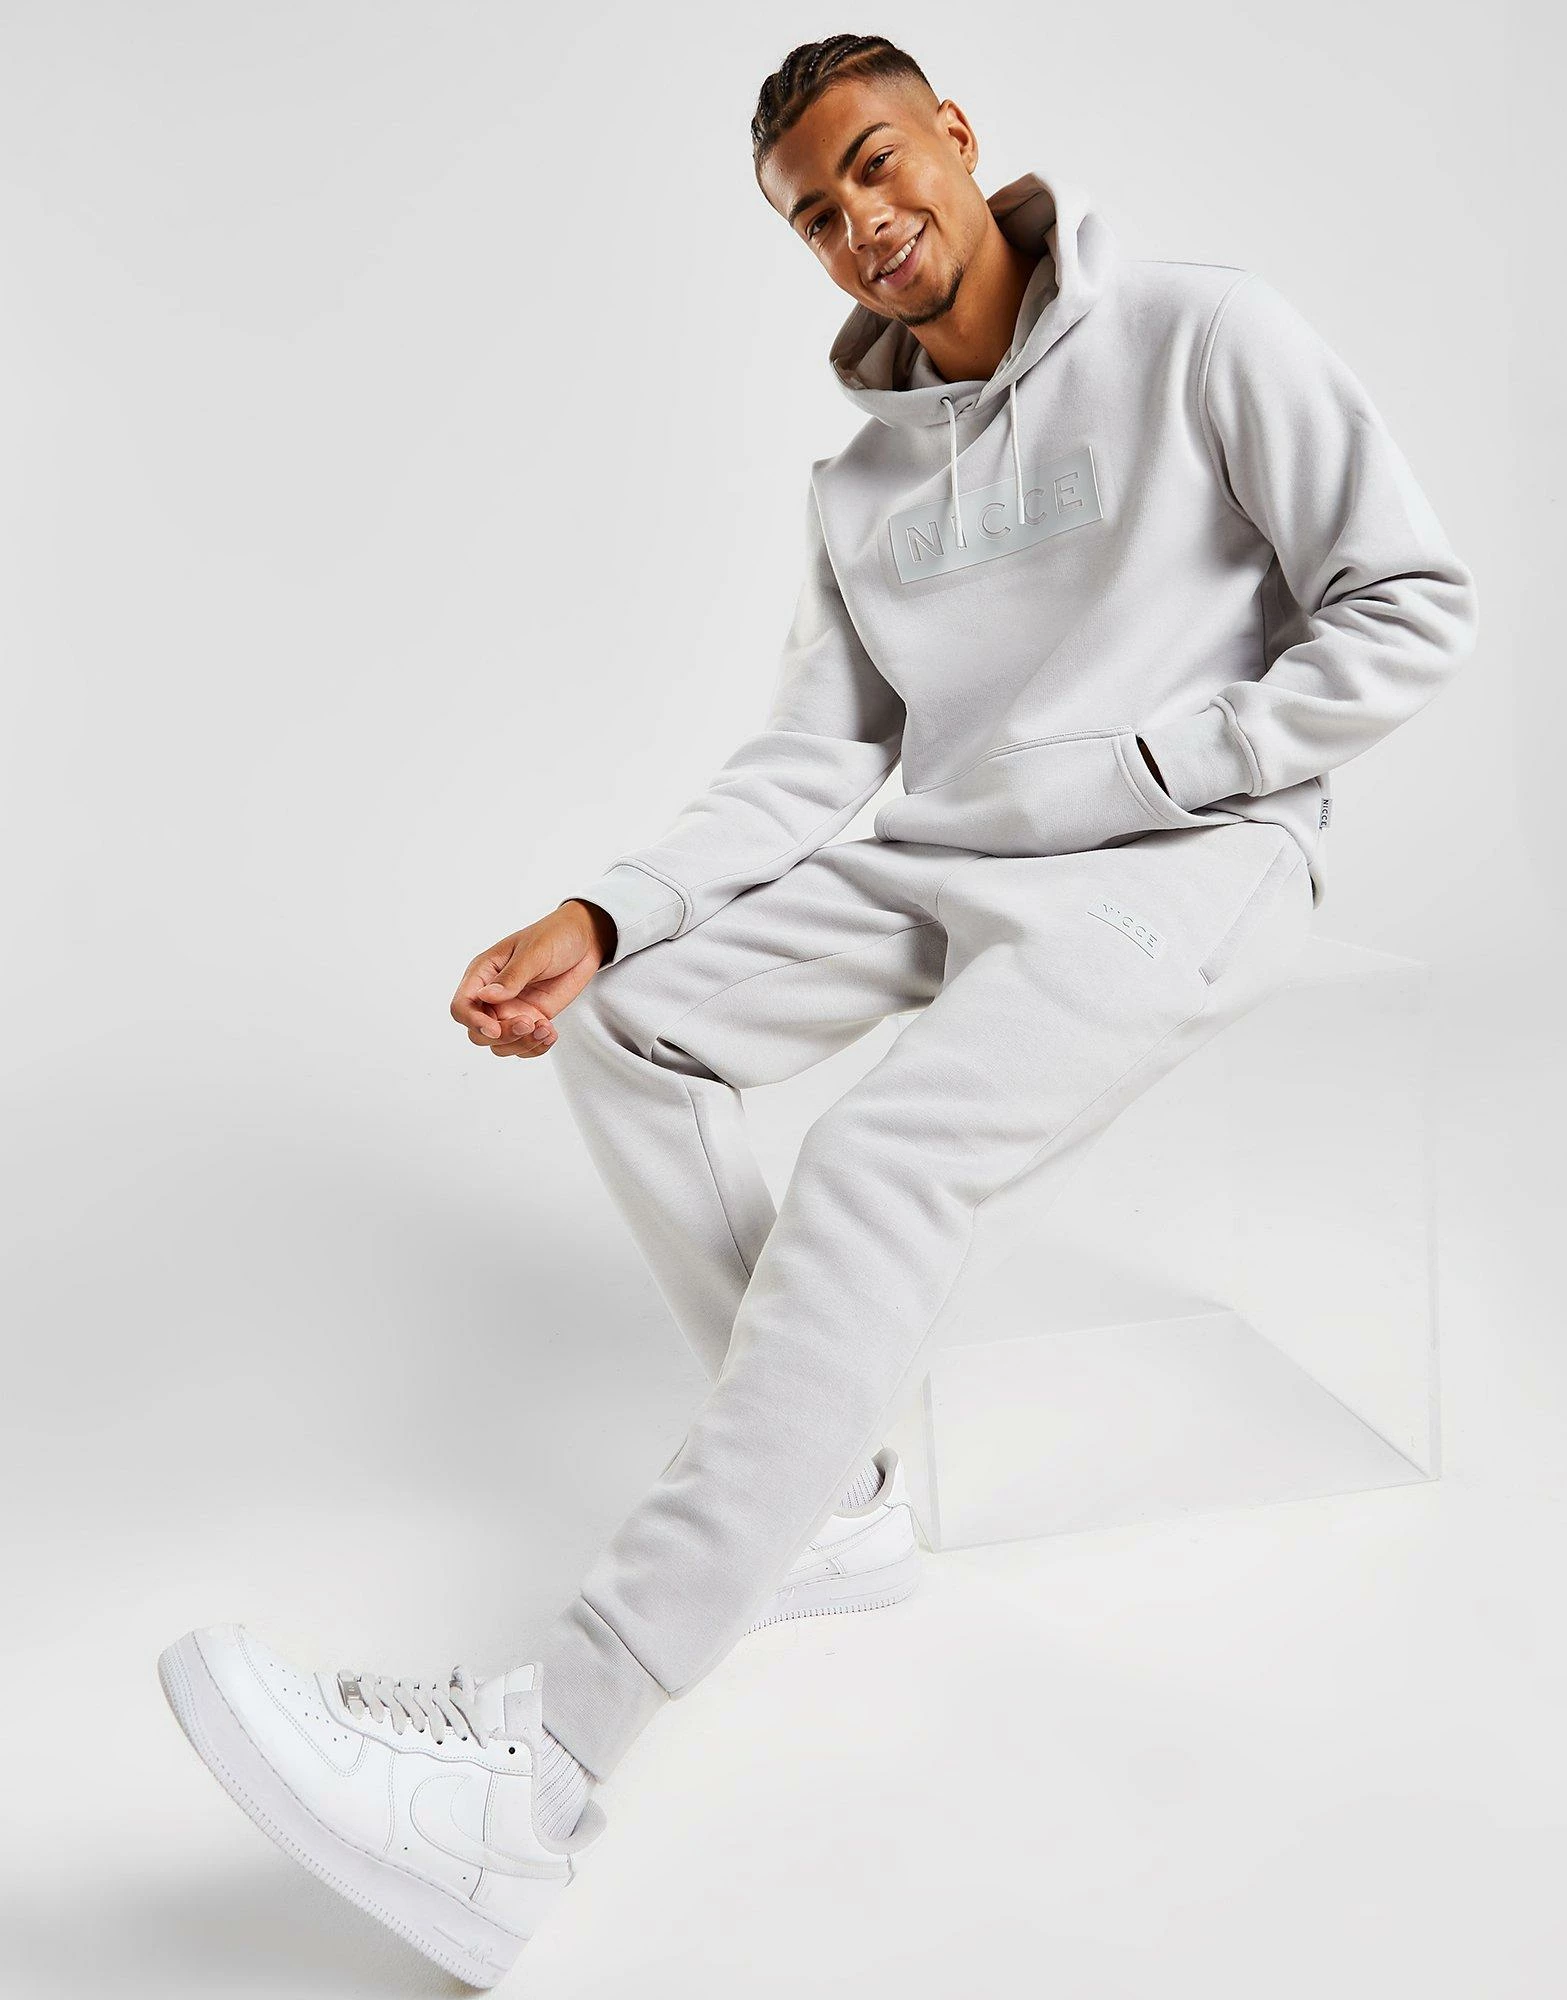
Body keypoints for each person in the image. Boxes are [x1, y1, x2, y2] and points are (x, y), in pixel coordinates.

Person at [157, 34, 1479, 1989]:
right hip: (949, 855)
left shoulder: (1201, 332)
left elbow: (1411, 600)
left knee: (876, 1158)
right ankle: (831, 1502)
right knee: (632, 1032)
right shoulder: (862, 481)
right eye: (810, 213)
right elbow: (811, 756)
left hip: (1185, 858)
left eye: (875, 165)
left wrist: (1162, 762)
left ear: (956, 138)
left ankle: (539, 1775)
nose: (859, 221)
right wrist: (605, 915)